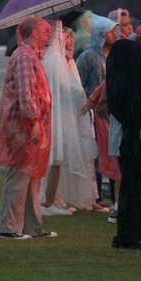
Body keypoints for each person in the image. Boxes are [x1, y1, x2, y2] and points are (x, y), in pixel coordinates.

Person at [0, 17, 56, 239]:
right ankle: (9, 227)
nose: (48, 36)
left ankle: (32, 226)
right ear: (34, 32)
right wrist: (33, 122)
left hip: (33, 124)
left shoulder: (33, 57)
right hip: (24, 125)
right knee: (20, 175)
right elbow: (25, 93)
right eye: (44, 31)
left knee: (32, 176)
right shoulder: (24, 56)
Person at [40, 22, 98, 215]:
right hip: (55, 119)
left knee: (58, 160)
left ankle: (52, 199)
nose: (70, 39)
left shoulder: (60, 59)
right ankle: (47, 202)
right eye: (66, 35)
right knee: (54, 160)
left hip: (61, 118)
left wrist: (69, 61)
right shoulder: (54, 59)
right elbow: (66, 89)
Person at [106, 38, 141, 249]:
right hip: (132, 138)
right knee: (133, 186)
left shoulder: (122, 86)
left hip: (134, 137)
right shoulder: (129, 92)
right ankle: (127, 235)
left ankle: (132, 233)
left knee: (138, 184)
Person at [76, 14, 120, 211]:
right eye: (111, 31)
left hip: (113, 114)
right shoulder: (88, 56)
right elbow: (78, 83)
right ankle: (97, 196)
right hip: (93, 115)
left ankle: (114, 197)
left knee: (113, 154)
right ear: (101, 33)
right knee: (96, 154)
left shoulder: (117, 55)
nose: (114, 34)